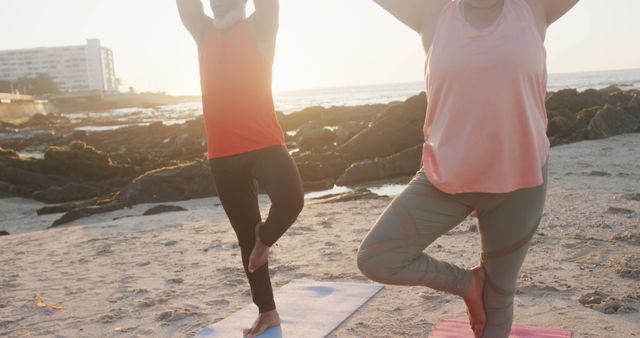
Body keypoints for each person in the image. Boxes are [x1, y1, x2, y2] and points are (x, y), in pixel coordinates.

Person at [356, 1, 578, 337]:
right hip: (443, 180)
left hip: (520, 184)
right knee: (377, 258)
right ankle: (468, 282)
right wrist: (461, 281)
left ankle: (483, 292)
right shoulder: (431, 12)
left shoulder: (534, 7)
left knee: (498, 298)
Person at [176, 0, 304, 336]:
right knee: (245, 234)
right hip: (222, 155)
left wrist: (268, 237)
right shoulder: (204, 32)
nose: (218, 2)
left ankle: (264, 240)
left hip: (265, 143)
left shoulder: (261, 26)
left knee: (291, 200)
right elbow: (186, 6)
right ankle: (267, 312)